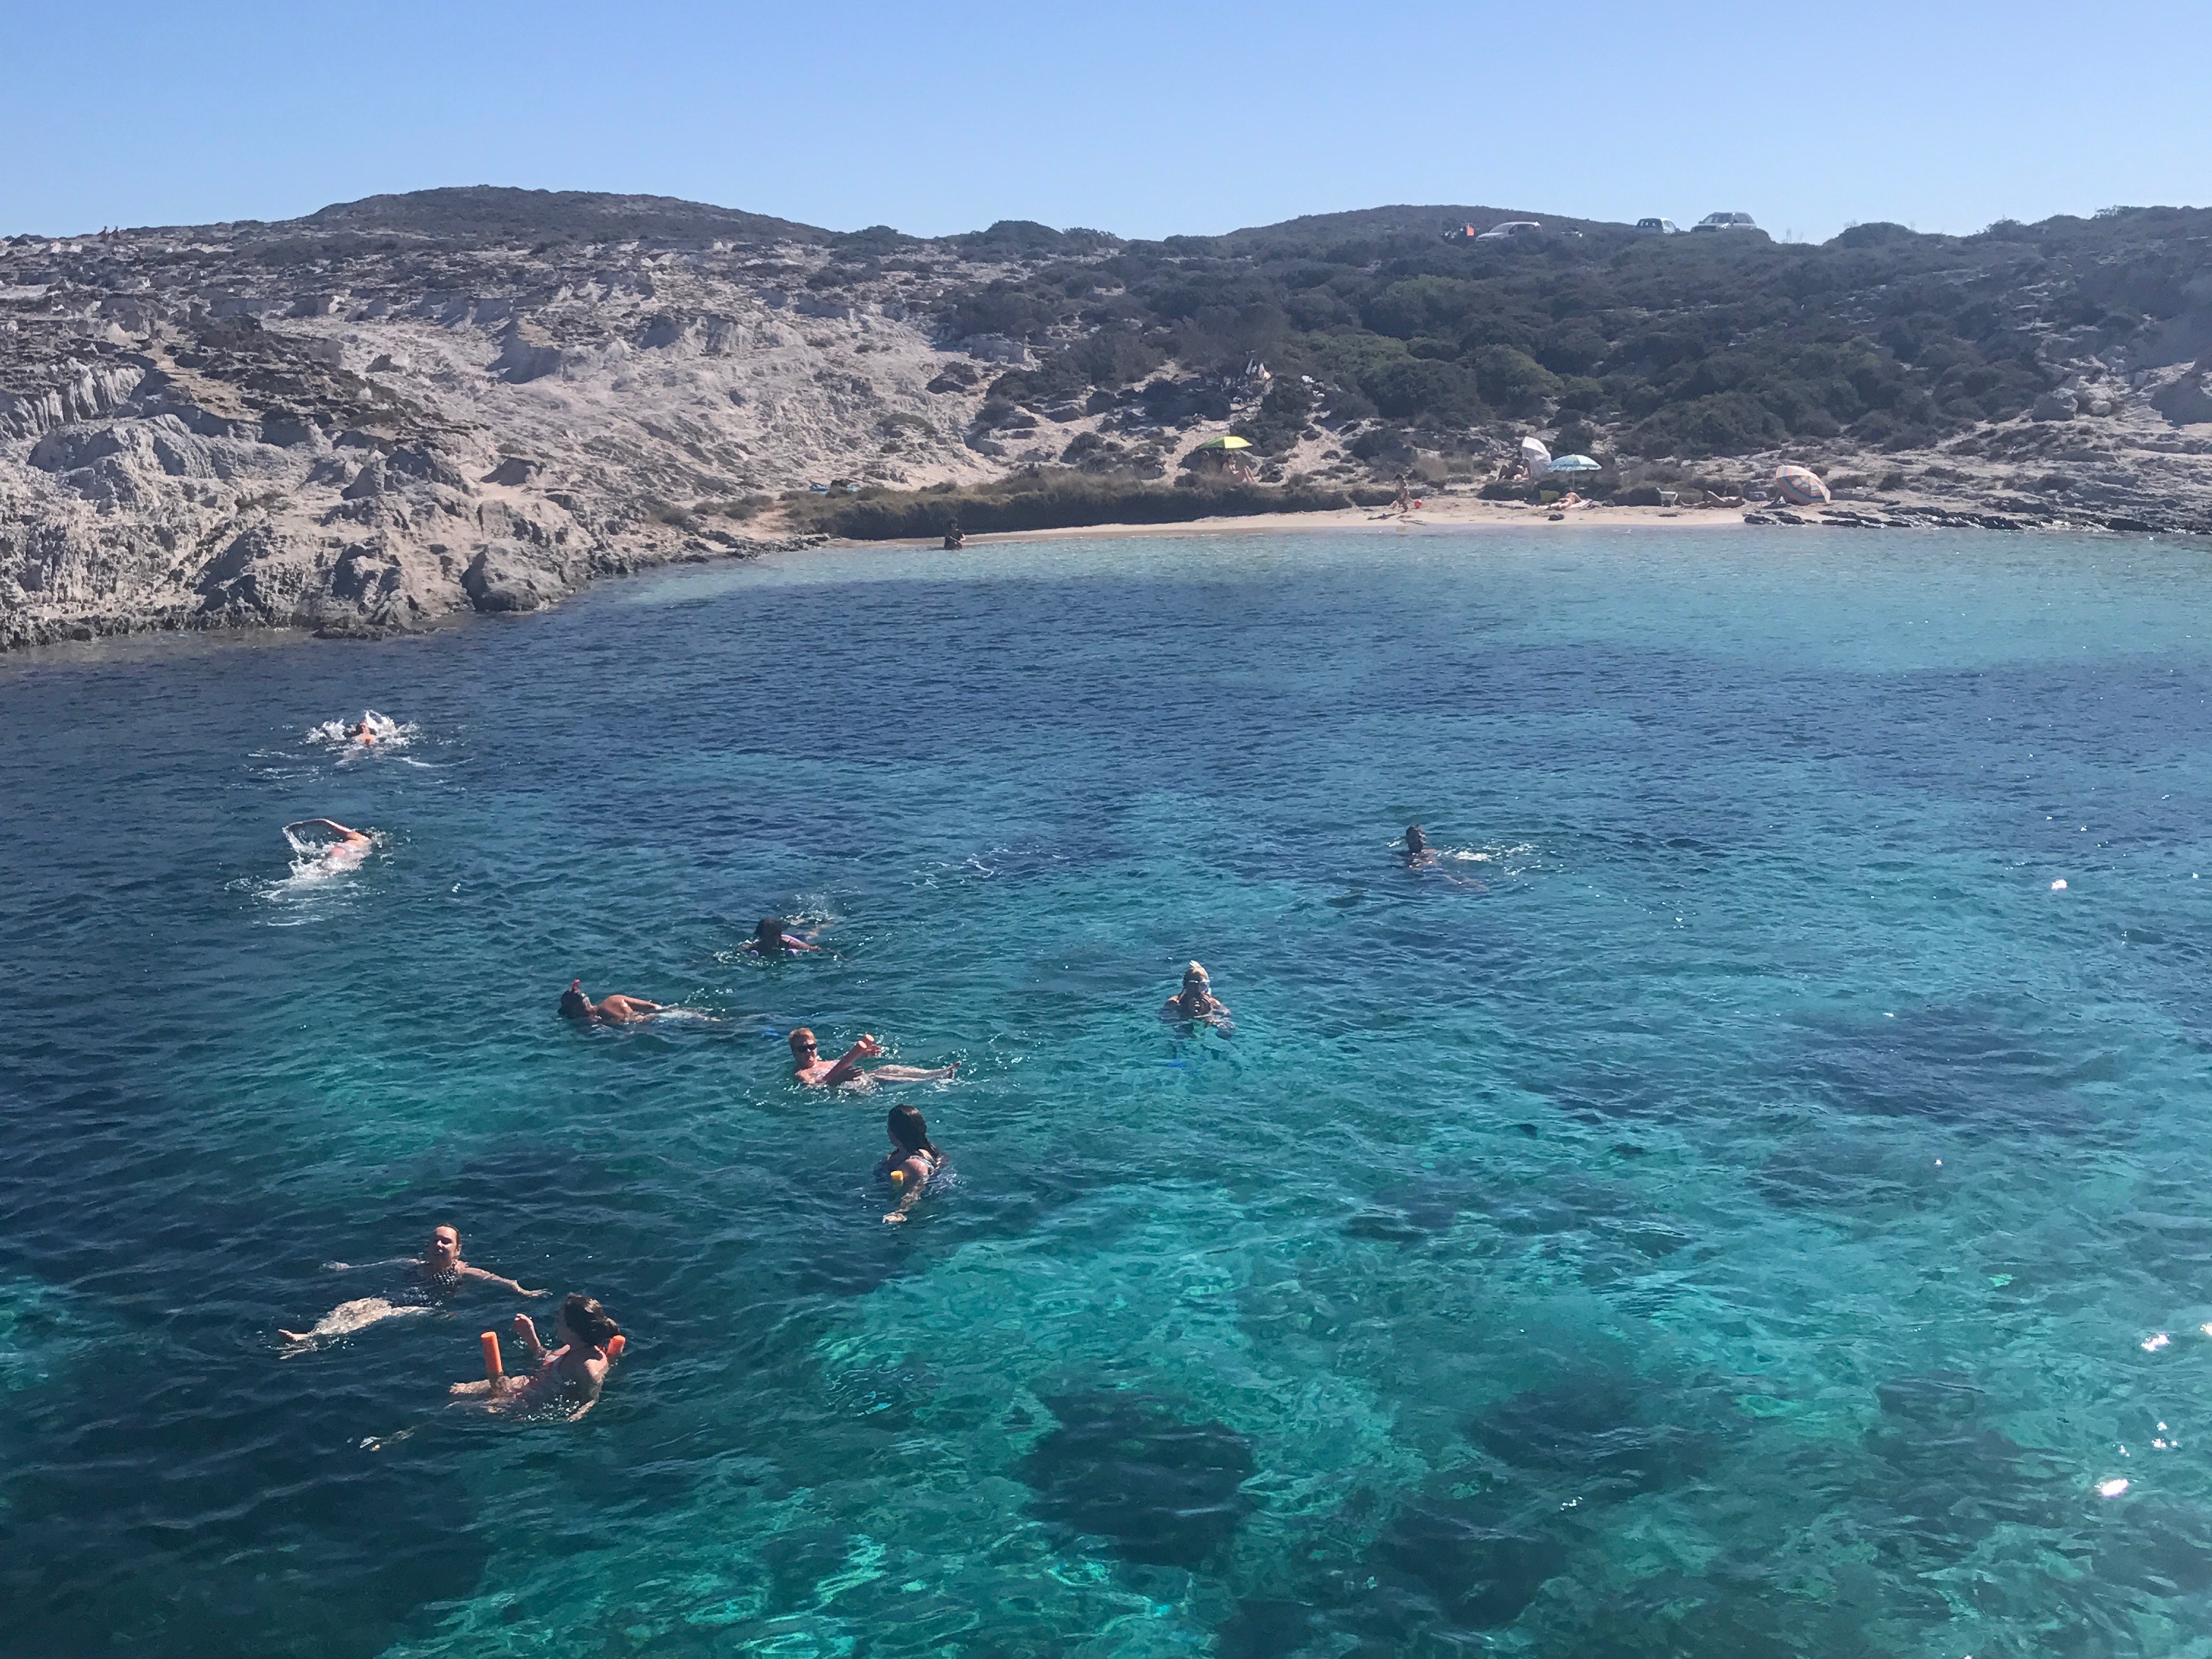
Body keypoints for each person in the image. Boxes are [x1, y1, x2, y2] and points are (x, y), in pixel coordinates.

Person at [279, 1224, 546, 1347]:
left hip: (431, 1310)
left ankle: (312, 1341)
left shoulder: (465, 1271)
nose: (439, 1245)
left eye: (446, 1242)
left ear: (458, 1249)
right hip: (397, 1300)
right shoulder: (413, 1264)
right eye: (435, 1241)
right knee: (350, 1307)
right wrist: (348, 1270)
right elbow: (378, 1266)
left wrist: (521, 1291)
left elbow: (497, 1279)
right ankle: (309, 1336)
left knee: (374, 1315)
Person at [451, 1294, 621, 1418]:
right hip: (525, 1383)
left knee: (459, 1408)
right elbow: (545, 1357)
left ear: (573, 1330)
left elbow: (591, 1398)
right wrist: (530, 1337)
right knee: (457, 1390)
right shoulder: (571, 1347)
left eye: (560, 1321)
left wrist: (579, 1414)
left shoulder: (587, 1366)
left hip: (532, 1401)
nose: (556, 1324)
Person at [789, 1027, 958, 1088]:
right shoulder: (802, 1073)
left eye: (812, 1047)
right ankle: (932, 1081)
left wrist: (863, 1054)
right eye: (803, 1049)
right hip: (850, 1087)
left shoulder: (824, 1062)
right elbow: (815, 1087)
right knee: (879, 1076)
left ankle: (937, 1072)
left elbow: (844, 1061)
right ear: (794, 1053)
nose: (809, 1052)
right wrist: (838, 1079)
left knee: (887, 1068)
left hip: (858, 1079)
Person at [879, 1103, 944, 1224]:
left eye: (888, 1126)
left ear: (896, 1132)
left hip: (913, 1216)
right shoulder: (923, 1151)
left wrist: (899, 1212)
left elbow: (915, 1191)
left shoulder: (914, 1164)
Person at [283, 817, 374, 871]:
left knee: (321, 868)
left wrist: (300, 825)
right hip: (354, 856)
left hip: (344, 849)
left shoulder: (356, 835)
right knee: (330, 871)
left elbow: (325, 822)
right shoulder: (368, 844)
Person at [560, 979, 666, 1024]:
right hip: (667, 1015)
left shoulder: (599, 1022)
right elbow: (654, 1007)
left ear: (575, 1011)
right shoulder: (614, 999)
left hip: (656, 1026)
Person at [1161, 962, 1231, 1026]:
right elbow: (1167, 1022)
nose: (1198, 990)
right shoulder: (1175, 1003)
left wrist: (1209, 1012)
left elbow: (1227, 1027)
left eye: (1202, 985)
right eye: (1193, 985)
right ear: (1186, 985)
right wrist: (1188, 1013)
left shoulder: (1214, 1004)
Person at [740, 917, 821, 958]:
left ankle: (822, 925)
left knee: (811, 934)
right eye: (766, 937)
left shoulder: (789, 944)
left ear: (778, 936)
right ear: (760, 937)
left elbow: (814, 949)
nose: (769, 940)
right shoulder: (757, 946)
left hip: (796, 938)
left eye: (772, 936)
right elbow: (743, 947)